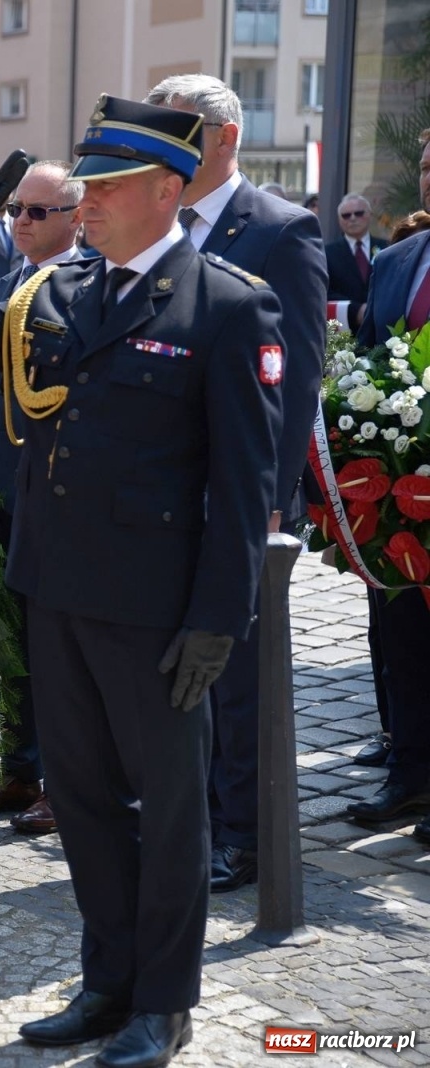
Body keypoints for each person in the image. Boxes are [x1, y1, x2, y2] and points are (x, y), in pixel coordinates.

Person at [0, 97, 283, 1066]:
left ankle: (163, 1001)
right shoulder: (56, 290)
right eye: (88, 187)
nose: (90, 203)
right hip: (55, 590)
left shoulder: (225, 305)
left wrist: (219, 619)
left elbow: (244, 484)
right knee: (80, 800)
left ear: (167, 189)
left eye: (109, 187)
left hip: (158, 611)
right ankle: (106, 979)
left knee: (171, 813)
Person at [146, 72, 328, 895]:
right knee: (173, 662)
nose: (162, 147)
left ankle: (245, 835)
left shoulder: (281, 231)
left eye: (178, 129)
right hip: (158, 492)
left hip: (239, 494)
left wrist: (267, 503)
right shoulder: (156, 227)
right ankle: (189, 814)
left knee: (240, 672)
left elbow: (295, 382)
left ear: (226, 137)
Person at [0, 161, 91, 836]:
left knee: (59, 647)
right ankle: (19, 767)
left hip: (59, 492)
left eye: (38, 211)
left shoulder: (91, 285)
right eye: (16, 211)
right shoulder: (5, 286)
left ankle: (69, 784)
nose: (22, 222)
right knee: (5, 635)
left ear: (77, 216)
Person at [345, 127, 430, 849]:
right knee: (400, 630)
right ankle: (409, 770)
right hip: (400, 486)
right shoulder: (399, 258)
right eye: (427, 167)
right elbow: (372, 358)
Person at [325, 193, 387, 335]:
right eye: (346, 215)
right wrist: (356, 310)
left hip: (382, 328)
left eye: (358, 213)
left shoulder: (387, 248)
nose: (352, 218)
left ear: (370, 215)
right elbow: (325, 292)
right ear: (339, 220)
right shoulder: (327, 253)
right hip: (346, 331)